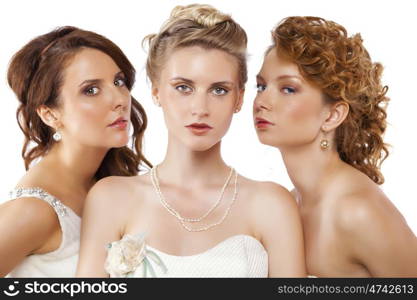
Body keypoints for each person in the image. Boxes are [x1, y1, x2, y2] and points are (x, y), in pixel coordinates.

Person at [76, 4, 306, 278]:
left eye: (219, 90)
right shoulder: (110, 198)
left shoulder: (271, 204)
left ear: (239, 98)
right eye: (183, 87)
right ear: (156, 91)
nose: (200, 108)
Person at [254, 16, 417, 277]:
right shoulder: (290, 202)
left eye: (288, 89)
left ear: (332, 116)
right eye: (261, 85)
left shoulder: (357, 211)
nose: (262, 100)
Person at [0, 26, 150, 277]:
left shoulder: (109, 182)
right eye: (90, 90)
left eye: (119, 81)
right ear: (49, 113)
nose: (119, 99)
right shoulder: (32, 212)